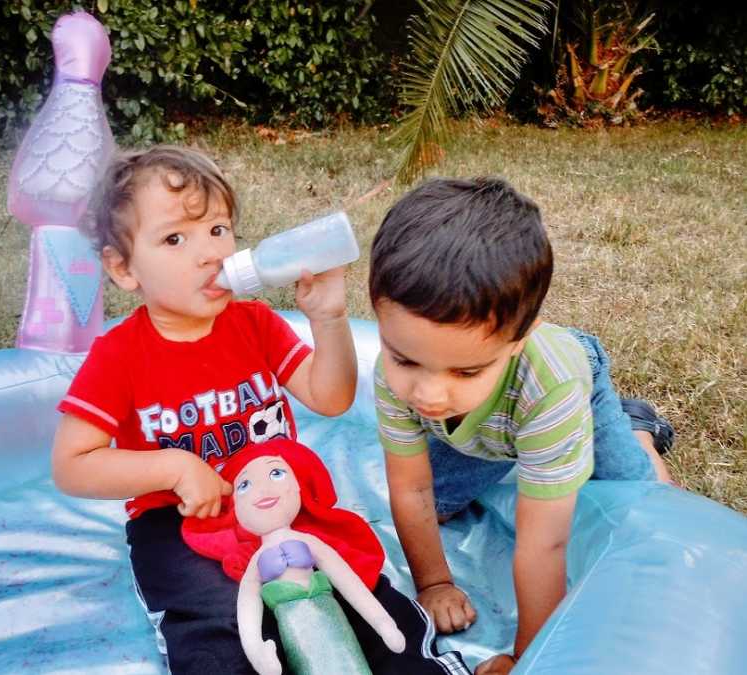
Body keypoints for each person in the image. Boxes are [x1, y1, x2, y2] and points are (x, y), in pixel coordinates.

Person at [51, 144, 358, 673]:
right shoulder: (120, 355)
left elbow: (331, 398)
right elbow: (71, 465)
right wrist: (172, 467)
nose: (210, 254)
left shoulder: (255, 323)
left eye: (218, 229)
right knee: (216, 625)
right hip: (178, 523)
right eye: (175, 238)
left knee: (356, 588)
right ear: (123, 268)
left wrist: (329, 319)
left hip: (277, 503)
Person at [368, 177, 675, 674]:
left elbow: (544, 543)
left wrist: (528, 657)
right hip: (485, 428)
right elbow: (412, 490)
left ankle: (639, 427)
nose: (428, 393)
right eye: (405, 360)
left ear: (516, 342)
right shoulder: (396, 373)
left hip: (568, 393)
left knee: (644, 497)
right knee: (439, 507)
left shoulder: (551, 390)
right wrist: (434, 583)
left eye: (465, 371)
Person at [182, 439, 472, 675]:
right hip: (292, 623)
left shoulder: (310, 542)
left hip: (327, 609)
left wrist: (383, 623)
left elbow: (347, 579)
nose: (263, 490)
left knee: (351, 653)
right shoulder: (254, 561)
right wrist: (258, 651)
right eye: (244, 485)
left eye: (276, 474)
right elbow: (247, 604)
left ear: (299, 485)